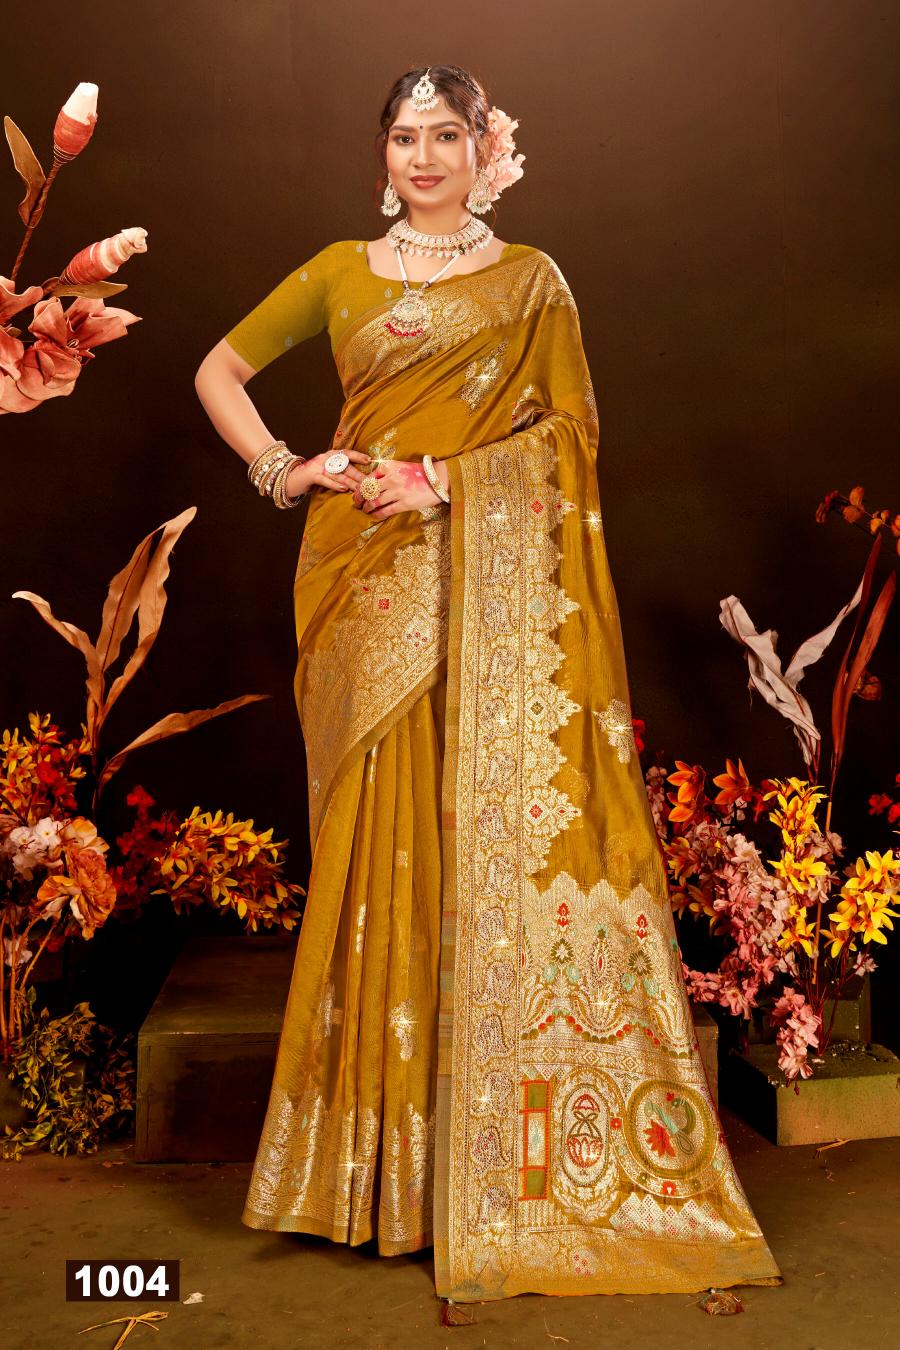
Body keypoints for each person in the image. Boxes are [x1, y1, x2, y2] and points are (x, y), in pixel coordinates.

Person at [194, 63, 782, 1304]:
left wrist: (446, 482)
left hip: (482, 578)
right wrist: (287, 471)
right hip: (359, 583)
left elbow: (571, 436)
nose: (423, 157)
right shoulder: (337, 271)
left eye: (445, 135)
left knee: (471, 841)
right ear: (383, 155)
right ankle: (364, 1174)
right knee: (371, 845)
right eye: (404, 137)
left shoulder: (531, 284)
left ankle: (479, 1165)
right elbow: (217, 374)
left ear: (483, 149)